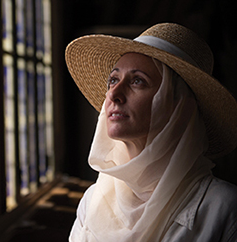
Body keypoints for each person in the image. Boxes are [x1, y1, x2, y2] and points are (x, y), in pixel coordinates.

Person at [65, 23, 237, 242]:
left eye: (138, 81)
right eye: (113, 80)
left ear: (178, 106)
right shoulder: (93, 201)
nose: (113, 95)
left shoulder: (223, 209)